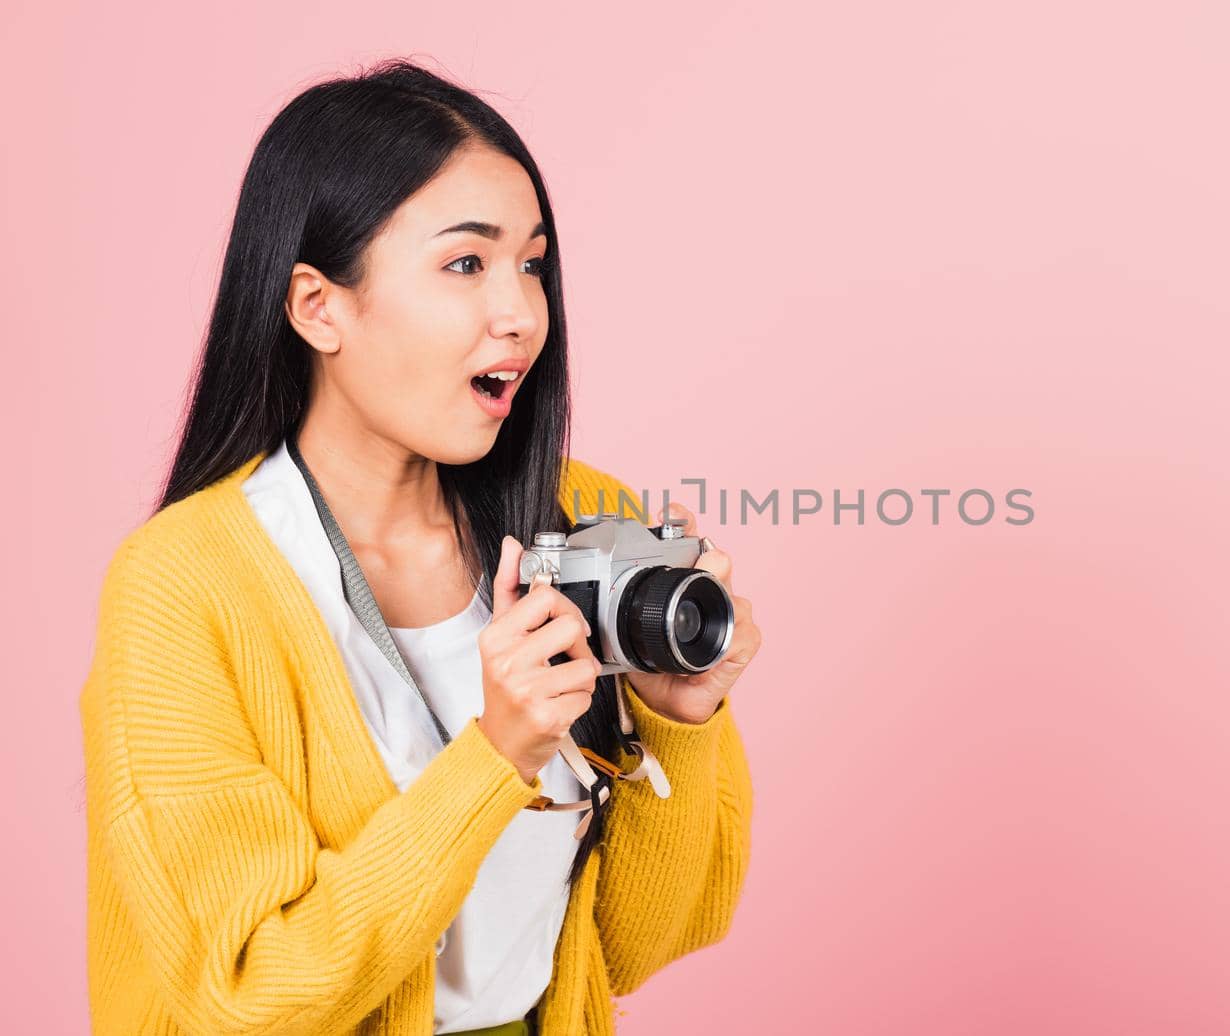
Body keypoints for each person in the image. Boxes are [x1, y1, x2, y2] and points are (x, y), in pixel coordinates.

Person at [78, 59, 759, 1036]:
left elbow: (634, 948)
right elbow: (248, 998)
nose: (520, 313)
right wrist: (497, 754)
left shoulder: (580, 520)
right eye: (465, 263)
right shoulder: (186, 584)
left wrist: (680, 722)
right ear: (319, 307)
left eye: (532, 263)